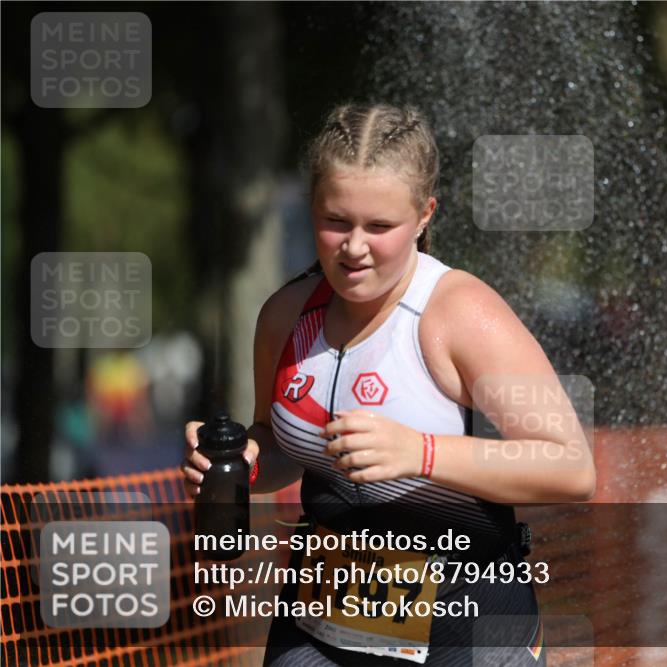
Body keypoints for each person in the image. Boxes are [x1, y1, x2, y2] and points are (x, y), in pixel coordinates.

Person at [183, 103, 595, 666]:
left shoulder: (461, 315)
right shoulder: (285, 315)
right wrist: (240, 461)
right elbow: (282, 446)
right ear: (311, 208)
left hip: (465, 621)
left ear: (425, 215)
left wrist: (420, 452)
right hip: (319, 621)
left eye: (380, 227)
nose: (354, 247)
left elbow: (571, 468)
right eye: (336, 221)